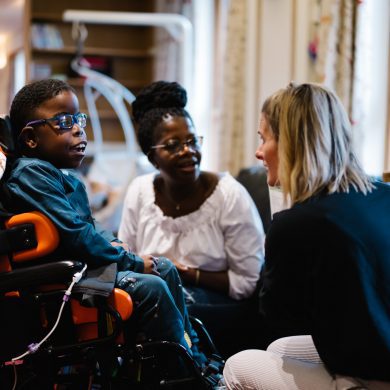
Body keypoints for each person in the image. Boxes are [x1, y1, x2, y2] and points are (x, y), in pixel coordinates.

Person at [0, 78, 204, 363]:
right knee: (152, 286)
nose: (78, 130)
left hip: (83, 272)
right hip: (65, 283)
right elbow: (77, 235)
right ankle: (181, 369)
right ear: (31, 139)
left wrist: (119, 247)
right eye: (63, 122)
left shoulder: (64, 179)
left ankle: (196, 357)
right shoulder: (31, 174)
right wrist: (130, 262)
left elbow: (91, 228)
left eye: (79, 120)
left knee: (165, 268)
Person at [222, 82, 390, 389]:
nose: (258, 152)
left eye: (264, 138)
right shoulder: (385, 195)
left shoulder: (297, 223)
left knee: (238, 365)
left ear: (290, 143)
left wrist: (275, 245)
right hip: (379, 349)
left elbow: (277, 315)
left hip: (373, 377)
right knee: (280, 349)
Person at [117, 80, 265, 356]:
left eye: (192, 140)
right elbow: (129, 258)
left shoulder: (229, 195)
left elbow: (246, 282)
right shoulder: (139, 190)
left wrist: (183, 271)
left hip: (219, 302)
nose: (188, 151)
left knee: (161, 307)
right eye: (173, 145)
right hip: (158, 293)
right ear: (152, 157)